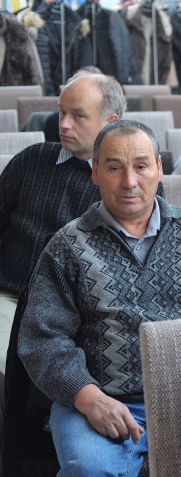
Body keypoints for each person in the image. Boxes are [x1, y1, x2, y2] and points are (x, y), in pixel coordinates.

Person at [17, 120, 181, 477]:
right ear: (95, 172)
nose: (129, 181)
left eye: (141, 166)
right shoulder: (67, 246)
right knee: (89, 471)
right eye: (114, 168)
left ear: (160, 168)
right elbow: (43, 339)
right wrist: (87, 396)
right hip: (99, 399)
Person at [0, 71, 123, 374]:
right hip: (9, 297)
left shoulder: (126, 184)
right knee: (8, 372)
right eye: (62, 112)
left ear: (111, 122)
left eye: (78, 116)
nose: (64, 124)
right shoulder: (32, 159)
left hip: (76, 315)